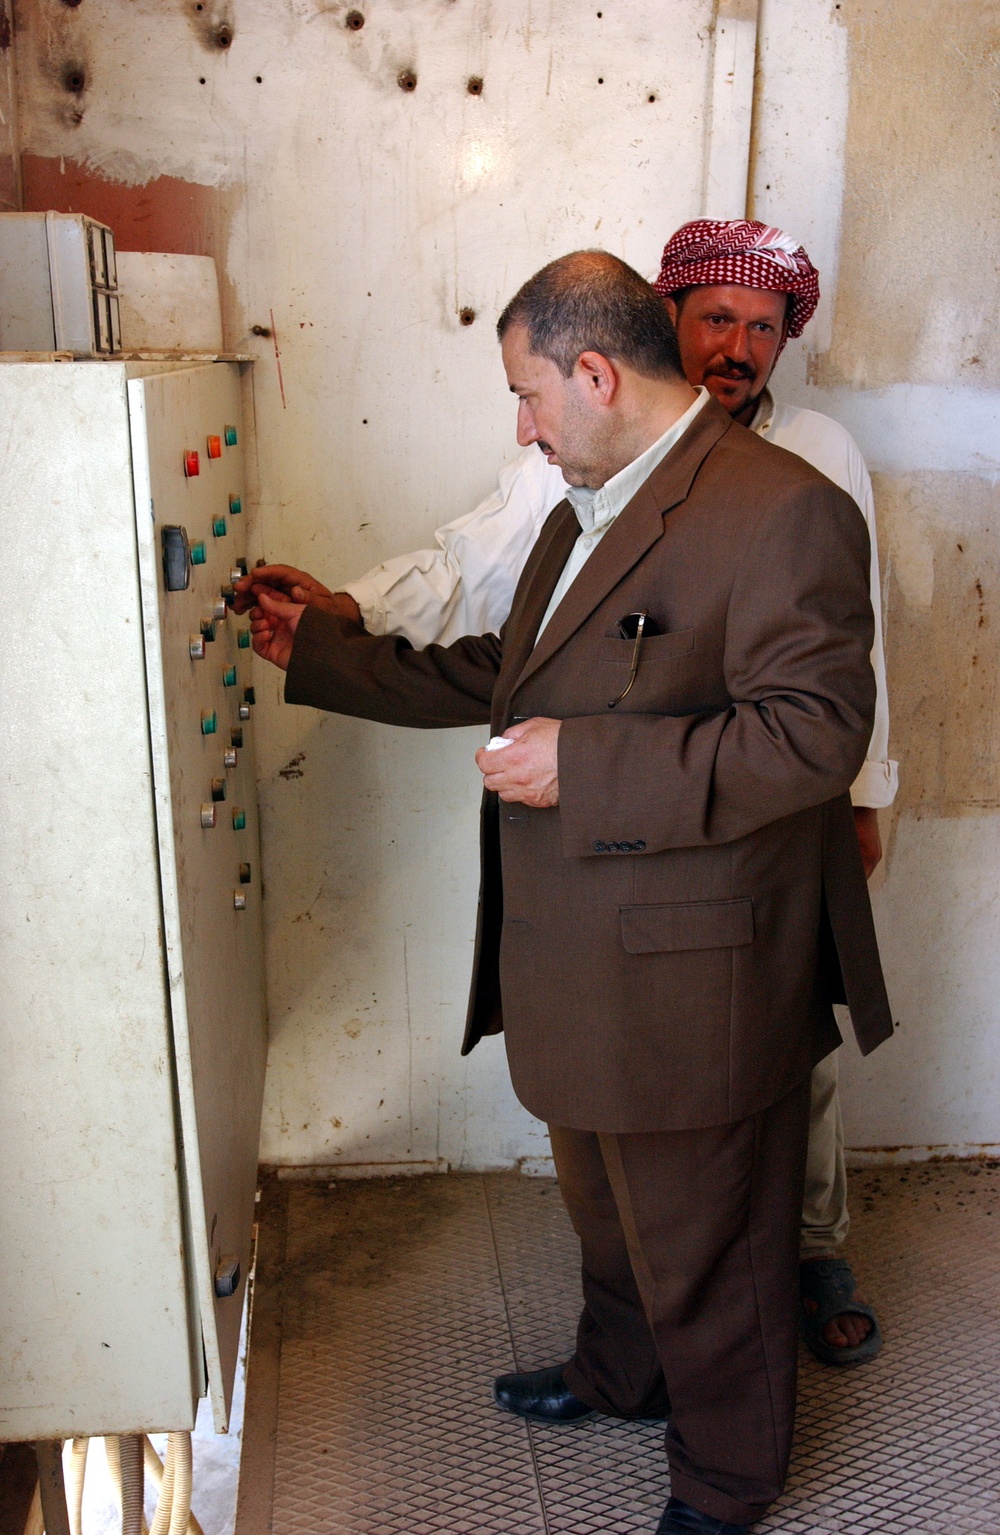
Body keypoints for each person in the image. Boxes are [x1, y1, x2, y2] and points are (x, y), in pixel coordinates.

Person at [245, 251, 893, 1534]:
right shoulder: (581, 502)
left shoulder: (784, 509)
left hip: (697, 960)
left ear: (595, 375)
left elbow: (813, 734)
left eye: (529, 396)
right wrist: (320, 646)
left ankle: (725, 1479)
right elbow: (510, 671)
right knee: (606, 1203)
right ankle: (621, 1371)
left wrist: (585, 764)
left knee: (707, 1239)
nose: (524, 426)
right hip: (585, 950)